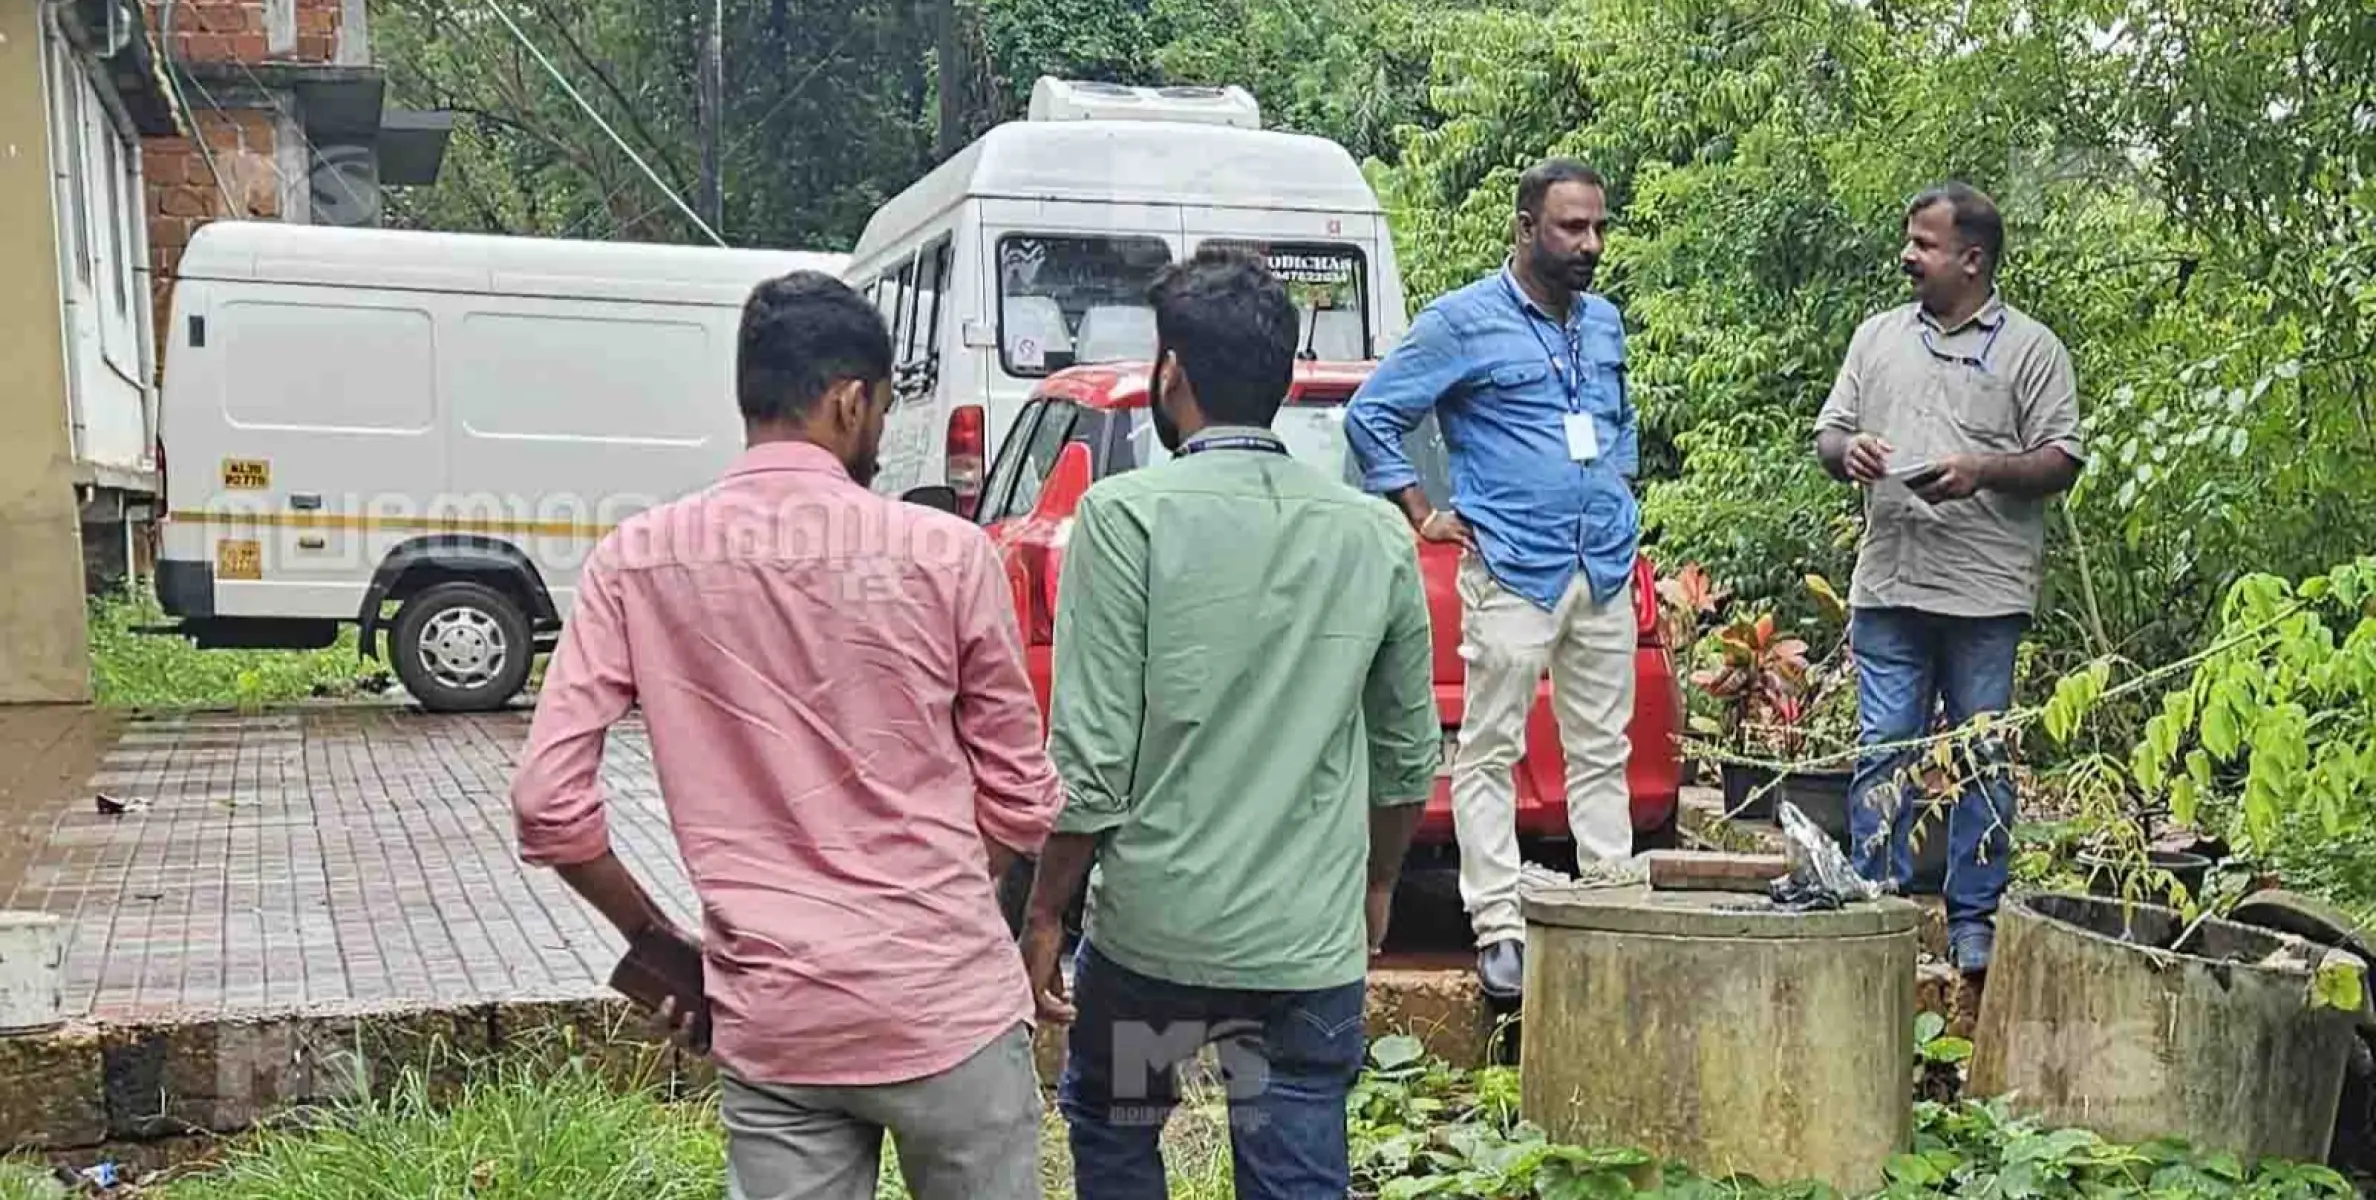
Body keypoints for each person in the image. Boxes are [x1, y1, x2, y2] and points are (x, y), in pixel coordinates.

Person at [509, 271, 1064, 1200]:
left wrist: (657, 942)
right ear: (851, 402)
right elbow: (1020, 795)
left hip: (775, 1023)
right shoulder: (946, 554)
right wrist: (947, 899)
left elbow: (547, 806)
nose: (881, 435)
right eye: (883, 410)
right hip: (949, 1010)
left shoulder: (637, 561)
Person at [1020, 246, 1440, 1200]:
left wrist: (1045, 911)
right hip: (1304, 951)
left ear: (1171, 374)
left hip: (1152, 948)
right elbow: (1408, 758)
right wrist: (1378, 884)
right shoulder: (1374, 532)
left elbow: (1089, 767)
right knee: (1295, 1152)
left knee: (1117, 1127)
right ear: (1287, 380)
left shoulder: (1123, 519)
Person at [1344, 157, 1643, 1001]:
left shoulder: (1606, 322)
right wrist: (1420, 510)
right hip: (1513, 566)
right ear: (1524, 228)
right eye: (1570, 228)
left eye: (1597, 228)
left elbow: (1617, 424)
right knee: (1489, 748)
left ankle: (1608, 904)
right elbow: (1374, 416)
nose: (1589, 245)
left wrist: (1619, 488)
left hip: (1602, 566)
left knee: (1601, 747)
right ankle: (1500, 925)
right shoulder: (1462, 322)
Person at [1813, 181, 2084, 975]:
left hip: (1985, 595)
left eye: (1924, 245)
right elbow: (1828, 434)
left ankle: (1975, 924)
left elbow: (2061, 459)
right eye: (1910, 240)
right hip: (1890, 583)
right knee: (1882, 748)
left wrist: (1981, 471)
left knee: (1983, 759)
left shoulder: (2033, 349)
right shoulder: (1877, 338)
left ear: (1972, 259)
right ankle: (1877, 907)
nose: (1908, 256)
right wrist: (1848, 452)